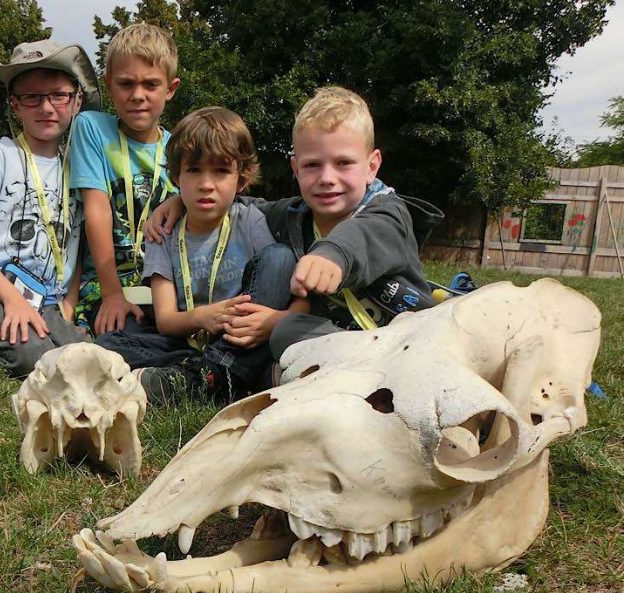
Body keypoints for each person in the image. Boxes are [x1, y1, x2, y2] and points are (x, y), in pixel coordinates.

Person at [146, 86, 443, 367]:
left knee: (286, 330)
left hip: (407, 340)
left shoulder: (389, 212)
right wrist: (178, 202)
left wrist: (332, 254)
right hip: (338, 339)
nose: (327, 177)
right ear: (296, 168)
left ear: (372, 166)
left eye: (343, 163)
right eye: (313, 165)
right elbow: (240, 204)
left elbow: (366, 234)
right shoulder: (293, 215)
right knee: (287, 332)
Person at [96, 107, 299, 405]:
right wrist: (202, 317)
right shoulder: (162, 233)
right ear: (177, 176)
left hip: (239, 336)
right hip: (188, 340)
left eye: (220, 171)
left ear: (240, 180)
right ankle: (229, 376)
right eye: (194, 170)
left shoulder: (250, 221)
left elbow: (277, 282)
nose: (206, 184)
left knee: (279, 257)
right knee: (109, 343)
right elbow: (165, 320)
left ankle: (203, 377)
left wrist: (272, 321)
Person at [0, 39, 100, 378]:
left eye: (58, 95)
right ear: (15, 104)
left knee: (87, 358)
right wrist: (11, 300)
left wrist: (69, 307)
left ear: (76, 101)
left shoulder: (79, 168)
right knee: (40, 361)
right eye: (33, 97)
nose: (46, 107)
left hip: (44, 302)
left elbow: (75, 245)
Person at [69, 23, 181, 336]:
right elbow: (97, 209)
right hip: (107, 285)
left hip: (165, 285)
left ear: (170, 89)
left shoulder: (181, 150)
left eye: (150, 85)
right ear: (108, 85)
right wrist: (112, 293)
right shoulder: (91, 128)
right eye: (126, 84)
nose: (138, 95)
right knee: (127, 335)